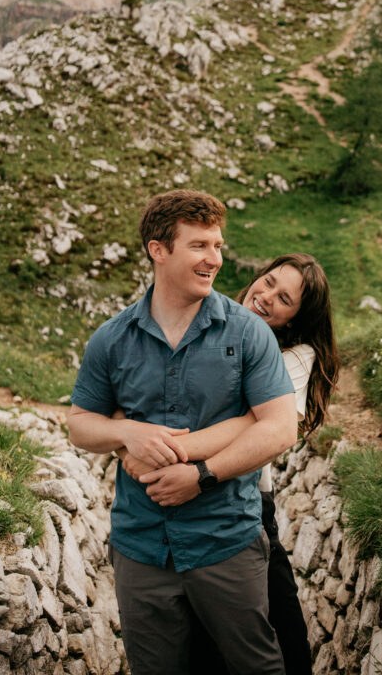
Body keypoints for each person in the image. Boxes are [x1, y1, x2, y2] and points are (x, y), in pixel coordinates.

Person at [67, 190, 298, 675]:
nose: (215, 258)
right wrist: (128, 433)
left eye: (217, 245)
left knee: (256, 668)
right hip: (140, 547)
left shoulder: (247, 333)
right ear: (159, 250)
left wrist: (203, 476)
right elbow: (79, 425)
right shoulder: (110, 339)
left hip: (226, 540)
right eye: (200, 246)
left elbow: (279, 429)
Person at [120, 253, 340, 675]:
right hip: (176, 501)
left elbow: (262, 426)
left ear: (296, 318)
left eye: (285, 298)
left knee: (279, 631)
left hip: (247, 504)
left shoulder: (294, 357)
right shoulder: (209, 325)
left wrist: (163, 450)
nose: (267, 295)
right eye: (268, 281)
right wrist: (128, 446)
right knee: (203, 637)